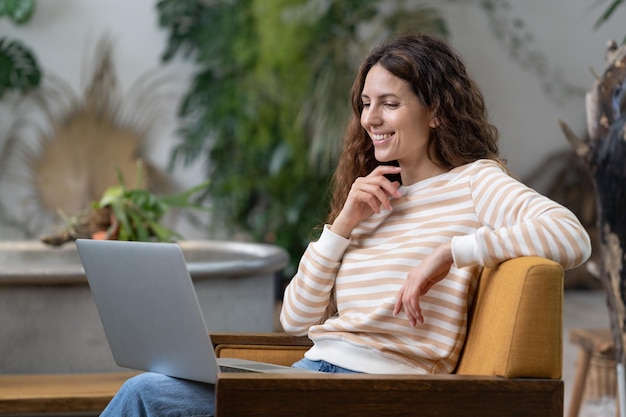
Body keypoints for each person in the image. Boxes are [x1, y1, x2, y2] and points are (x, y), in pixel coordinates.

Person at [100, 33, 591, 415]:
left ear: (437, 110)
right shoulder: (370, 197)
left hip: (369, 392)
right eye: (365, 103)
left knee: (147, 396)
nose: (370, 118)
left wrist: (449, 253)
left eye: (390, 103)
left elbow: (570, 234)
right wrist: (342, 225)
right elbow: (295, 321)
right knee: (153, 390)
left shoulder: (473, 184)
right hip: (313, 373)